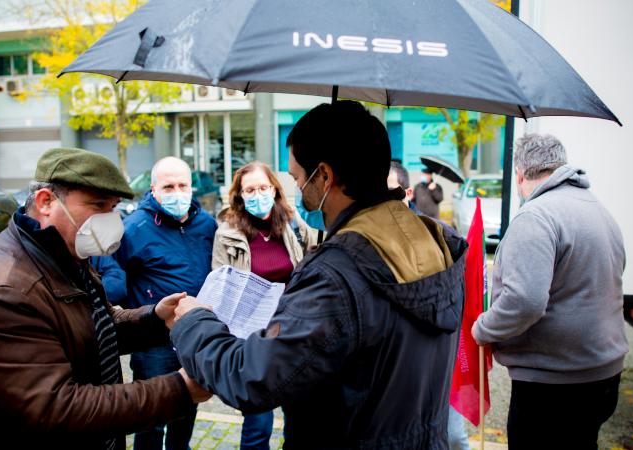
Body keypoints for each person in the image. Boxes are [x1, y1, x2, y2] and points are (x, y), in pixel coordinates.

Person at [167, 101, 468, 448]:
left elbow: (253, 378)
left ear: (324, 176)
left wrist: (194, 321)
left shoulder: (336, 272)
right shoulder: (436, 238)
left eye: (296, 176)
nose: (295, 186)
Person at [0, 148, 211, 450]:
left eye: (113, 207)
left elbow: (93, 326)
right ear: (46, 202)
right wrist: (179, 389)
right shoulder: (1, 294)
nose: (111, 220)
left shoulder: (63, 255)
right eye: (98, 206)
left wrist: (156, 318)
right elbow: (56, 407)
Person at [471, 134, 628, 450]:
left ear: (519, 174)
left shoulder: (536, 216)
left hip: (554, 383)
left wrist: (482, 329)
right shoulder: (596, 207)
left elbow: (524, 301)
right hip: (602, 374)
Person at [114, 156, 217, 450]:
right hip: (154, 340)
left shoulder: (206, 225)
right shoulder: (134, 227)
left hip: (194, 334)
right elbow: (115, 277)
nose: (177, 192)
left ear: (191, 187)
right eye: (168, 186)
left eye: (182, 185)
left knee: (187, 406)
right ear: (154, 189)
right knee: (151, 413)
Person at [212, 161, 308, 449]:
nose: (258, 194)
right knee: (258, 424)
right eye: (250, 189)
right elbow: (221, 288)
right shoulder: (227, 233)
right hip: (253, 340)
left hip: (292, 334)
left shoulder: (292, 224)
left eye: (263, 187)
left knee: (299, 418)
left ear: (275, 190)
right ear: (239, 195)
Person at [387, 164, 471, 450]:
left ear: (407, 193)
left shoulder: (441, 238)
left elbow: (456, 300)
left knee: (452, 436)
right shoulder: (365, 240)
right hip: (394, 368)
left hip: (437, 357)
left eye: (389, 192)